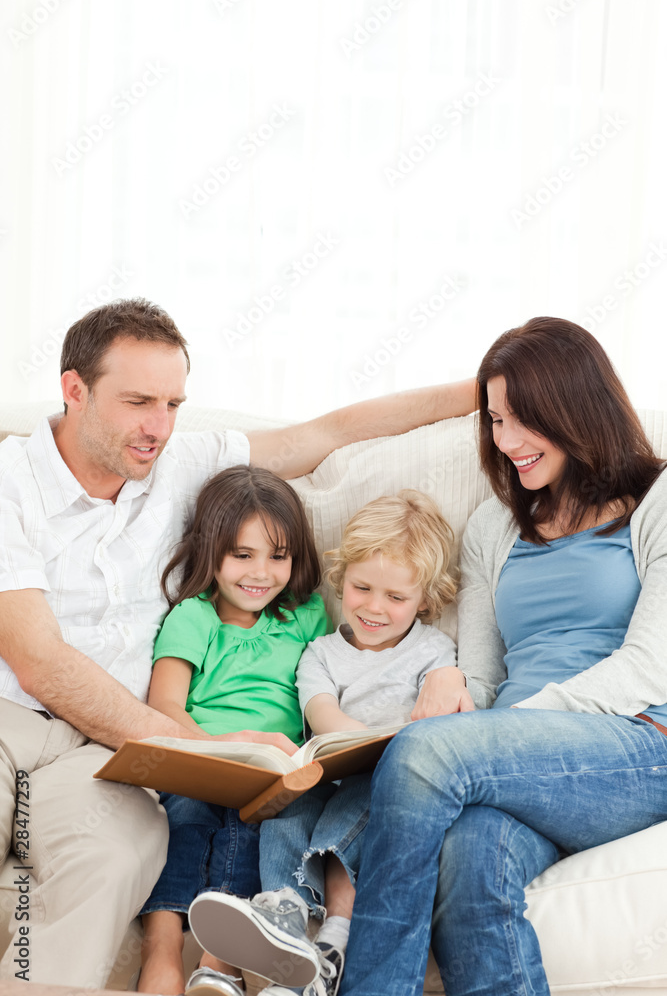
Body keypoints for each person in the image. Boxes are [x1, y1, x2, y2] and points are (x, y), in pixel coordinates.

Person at [0, 297, 475, 987]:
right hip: (12, 719)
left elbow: (326, 433)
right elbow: (36, 659)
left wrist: (486, 388)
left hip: (103, 752)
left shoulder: (180, 457)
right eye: (138, 402)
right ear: (74, 390)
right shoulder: (8, 480)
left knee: (116, 855)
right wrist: (199, 746)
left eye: (172, 403)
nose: (158, 426)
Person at [332, 316, 667, 996]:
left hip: (636, 745)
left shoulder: (657, 502)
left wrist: (498, 732)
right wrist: (452, 678)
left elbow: (648, 667)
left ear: (576, 407)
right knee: (471, 854)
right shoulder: (492, 525)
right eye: (494, 420)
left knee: (426, 753)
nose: (505, 441)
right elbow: (484, 679)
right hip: (511, 758)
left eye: (523, 419)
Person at [187, 490, 459, 996]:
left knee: (344, 818)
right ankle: (284, 920)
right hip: (326, 767)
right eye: (362, 588)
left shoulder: (435, 650)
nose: (375, 608)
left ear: (427, 598)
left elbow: (442, 717)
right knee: (284, 815)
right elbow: (323, 716)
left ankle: (333, 937)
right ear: (342, 578)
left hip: (389, 778)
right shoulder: (320, 653)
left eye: (396, 598)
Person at [138, 464, 331, 996]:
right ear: (210, 550)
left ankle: (219, 962)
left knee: (256, 831)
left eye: (278, 556)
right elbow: (164, 709)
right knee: (187, 818)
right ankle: (162, 941)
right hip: (199, 764)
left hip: (271, 776)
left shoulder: (306, 617)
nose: (261, 573)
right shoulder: (193, 618)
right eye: (242, 555)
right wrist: (227, 748)